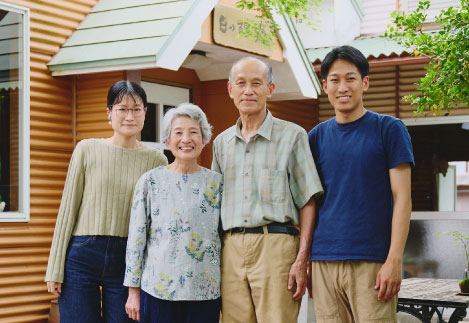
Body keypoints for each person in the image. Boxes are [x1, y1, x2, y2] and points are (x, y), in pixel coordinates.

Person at [212, 56, 324, 323]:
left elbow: (308, 201)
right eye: (241, 84)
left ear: (270, 90)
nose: (248, 90)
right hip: (231, 248)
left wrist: (301, 261)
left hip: (276, 247)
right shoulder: (221, 143)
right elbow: (213, 204)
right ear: (230, 90)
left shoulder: (293, 136)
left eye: (256, 83)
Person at [307, 45, 414, 323]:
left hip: (372, 260)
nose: (343, 87)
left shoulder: (389, 129)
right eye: (335, 80)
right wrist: (305, 260)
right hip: (324, 260)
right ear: (325, 86)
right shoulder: (316, 137)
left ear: (365, 83)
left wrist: (394, 260)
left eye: (350, 78)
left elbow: (403, 198)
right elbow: (308, 203)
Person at [45, 81, 168, 323]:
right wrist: (54, 268)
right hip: (82, 255)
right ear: (109, 113)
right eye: (122, 108)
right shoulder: (87, 149)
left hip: (129, 259)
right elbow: (67, 210)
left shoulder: (157, 160)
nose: (129, 116)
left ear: (145, 113)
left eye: (137, 109)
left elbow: (158, 224)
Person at [124, 103, 222, 323]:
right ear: (167, 141)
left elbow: (224, 238)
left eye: (193, 132)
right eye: (178, 133)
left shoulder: (217, 183)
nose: (185, 139)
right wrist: (133, 291)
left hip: (205, 292)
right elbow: (136, 238)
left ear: (204, 140)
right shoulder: (150, 181)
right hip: (158, 291)